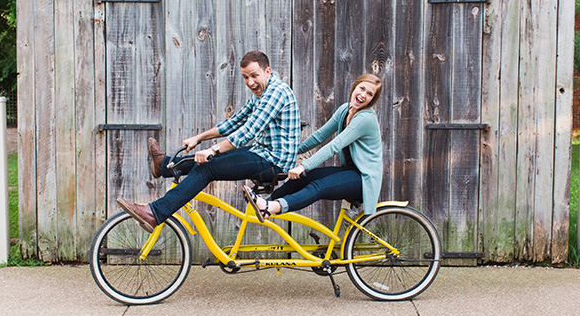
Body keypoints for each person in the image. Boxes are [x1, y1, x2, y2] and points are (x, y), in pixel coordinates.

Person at [117, 50, 300, 231]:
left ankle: (154, 213)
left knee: (206, 167)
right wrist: (198, 138)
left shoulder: (276, 92)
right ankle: (164, 165)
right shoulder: (261, 94)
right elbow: (235, 121)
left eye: (254, 75)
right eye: (245, 77)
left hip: (274, 162)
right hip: (262, 153)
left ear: (267, 71)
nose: (250, 82)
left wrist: (212, 150)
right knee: (207, 161)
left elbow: (248, 130)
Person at [243, 73, 382, 220]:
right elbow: (319, 136)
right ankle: (266, 202)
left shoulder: (365, 118)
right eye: (362, 88)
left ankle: (272, 207)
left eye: (369, 94)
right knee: (303, 178)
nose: (363, 95)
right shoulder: (345, 110)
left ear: (372, 99)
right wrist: (289, 152)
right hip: (349, 171)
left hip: (364, 180)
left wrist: (303, 166)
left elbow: (334, 146)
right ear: (355, 87)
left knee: (319, 186)